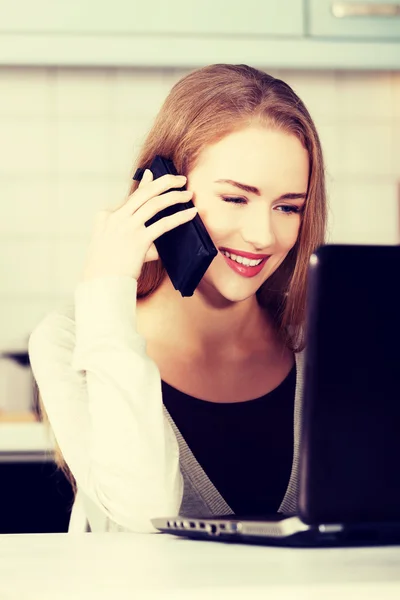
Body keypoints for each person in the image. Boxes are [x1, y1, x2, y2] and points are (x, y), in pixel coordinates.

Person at [28, 63, 327, 533]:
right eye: (235, 199)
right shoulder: (68, 340)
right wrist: (107, 290)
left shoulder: (320, 341)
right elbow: (143, 515)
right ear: (163, 191)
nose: (262, 235)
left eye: (288, 207)